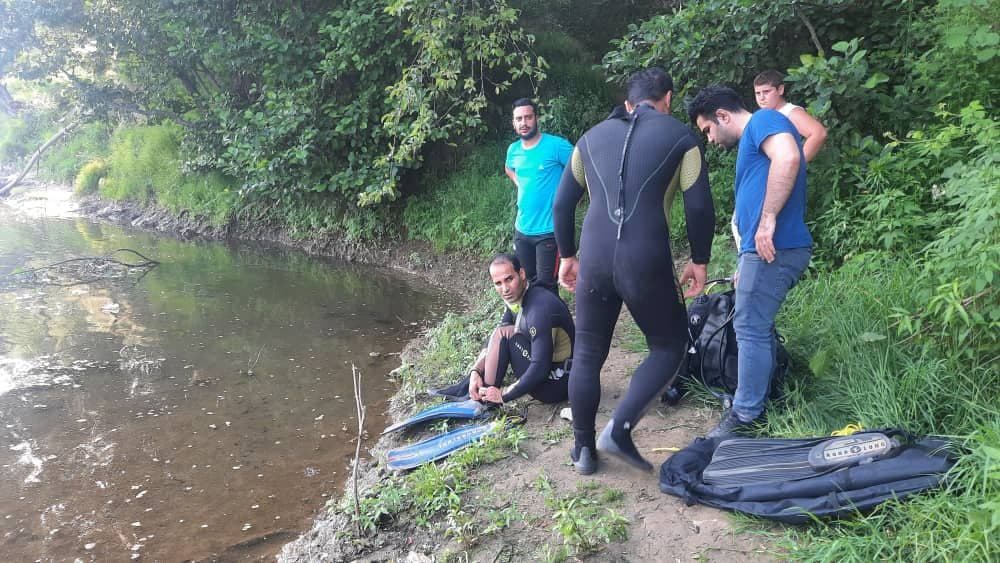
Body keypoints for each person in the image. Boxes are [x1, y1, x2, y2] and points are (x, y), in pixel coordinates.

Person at [553, 68, 715, 474]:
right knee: (669, 345)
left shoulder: (589, 139)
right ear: (668, 99)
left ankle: (584, 452)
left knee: (588, 351)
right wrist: (699, 259)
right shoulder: (682, 138)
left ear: (628, 104)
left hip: (593, 255)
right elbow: (698, 207)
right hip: (645, 257)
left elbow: (561, 205)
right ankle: (619, 428)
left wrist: (568, 255)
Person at [687, 85, 812, 438]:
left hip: (777, 246)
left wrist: (768, 219)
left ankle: (746, 414)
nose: (709, 140)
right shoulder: (754, 138)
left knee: (750, 328)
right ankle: (765, 393)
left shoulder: (764, 121)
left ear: (723, 116)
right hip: (762, 251)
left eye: (708, 130)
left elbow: (788, 158)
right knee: (755, 325)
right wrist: (745, 259)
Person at [429, 253, 574, 405]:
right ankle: (469, 387)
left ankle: (485, 399)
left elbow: (540, 367)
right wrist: (475, 371)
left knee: (504, 334)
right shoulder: (520, 296)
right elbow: (494, 338)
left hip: (558, 383)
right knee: (501, 332)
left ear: (522, 274)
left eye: (509, 279)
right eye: (498, 283)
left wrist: (504, 395)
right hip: (550, 371)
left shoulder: (539, 309)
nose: (505, 289)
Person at [505, 98, 574, 294]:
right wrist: (521, 185)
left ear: (536, 118)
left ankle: (556, 324)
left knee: (546, 288)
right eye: (519, 119)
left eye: (528, 117)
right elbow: (509, 169)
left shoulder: (556, 146)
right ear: (513, 122)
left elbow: (581, 167)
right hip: (522, 229)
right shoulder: (513, 150)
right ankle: (532, 324)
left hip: (549, 231)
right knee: (526, 284)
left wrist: (569, 196)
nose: (523, 123)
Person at [753, 70, 827, 162]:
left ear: (780, 90)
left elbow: (819, 133)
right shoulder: (763, 115)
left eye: (766, 91)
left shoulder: (790, 111)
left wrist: (797, 165)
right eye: (758, 93)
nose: (761, 98)